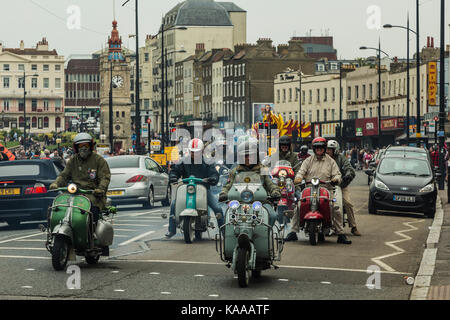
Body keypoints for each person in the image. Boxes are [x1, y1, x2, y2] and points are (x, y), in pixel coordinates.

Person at [286, 136, 351, 244]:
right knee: (298, 205)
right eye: (317, 148)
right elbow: (301, 171)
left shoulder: (331, 161)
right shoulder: (308, 160)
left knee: (335, 208)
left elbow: (337, 174)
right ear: (314, 149)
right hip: (309, 189)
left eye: (321, 148)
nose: (319, 150)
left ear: (325, 149)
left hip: (326, 189)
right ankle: (293, 232)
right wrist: (298, 178)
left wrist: (336, 179)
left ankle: (340, 234)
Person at [165, 138, 224, 238]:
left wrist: (213, 178)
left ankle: (224, 231)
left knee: (217, 208)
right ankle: (172, 230)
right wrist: (173, 176)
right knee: (174, 204)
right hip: (187, 189)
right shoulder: (184, 161)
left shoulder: (208, 161)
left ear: (201, 151)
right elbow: (175, 170)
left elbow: (213, 172)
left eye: (196, 152)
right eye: (192, 152)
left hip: (204, 190)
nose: (194, 154)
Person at [49, 133, 111, 225]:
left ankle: (92, 233)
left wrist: (100, 189)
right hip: (75, 194)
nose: (83, 148)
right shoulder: (73, 161)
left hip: (93, 194)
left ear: (90, 146)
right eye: (80, 145)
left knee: (93, 211)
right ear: (76, 147)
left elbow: (105, 177)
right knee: (58, 208)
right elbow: (64, 175)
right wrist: (56, 184)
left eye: (86, 145)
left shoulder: (99, 160)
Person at [219, 140, 281, 227]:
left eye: (251, 155)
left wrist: (275, 191)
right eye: (245, 156)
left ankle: (267, 234)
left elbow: (270, 184)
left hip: (261, 202)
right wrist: (223, 193)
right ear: (241, 157)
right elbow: (228, 185)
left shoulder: (263, 170)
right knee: (227, 217)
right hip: (238, 203)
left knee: (272, 215)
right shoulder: (235, 171)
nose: (248, 158)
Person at [326, 140, 361, 236]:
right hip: (326, 186)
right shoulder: (323, 159)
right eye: (327, 149)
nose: (328, 151)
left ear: (335, 150)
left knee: (347, 203)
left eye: (330, 149)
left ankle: (353, 227)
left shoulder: (341, 158)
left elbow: (349, 168)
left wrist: (348, 175)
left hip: (341, 185)